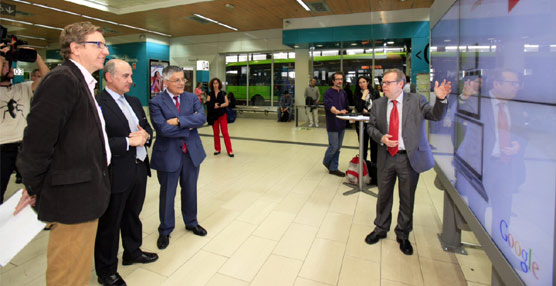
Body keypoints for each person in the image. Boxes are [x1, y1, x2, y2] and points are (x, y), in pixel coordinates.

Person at [14, 21, 111, 285]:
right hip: (72, 199)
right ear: (75, 48)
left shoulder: (81, 82)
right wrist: (34, 186)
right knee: (68, 275)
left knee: (78, 270)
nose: (105, 50)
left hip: (84, 194)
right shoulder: (62, 80)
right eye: (99, 44)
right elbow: (37, 141)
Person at [364, 68, 451, 255]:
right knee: (383, 195)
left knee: (407, 198)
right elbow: (370, 127)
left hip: (408, 158)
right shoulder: (378, 104)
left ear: (400, 84)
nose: (383, 86)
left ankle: (403, 234)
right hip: (386, 157)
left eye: (388, 83)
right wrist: (382, 138)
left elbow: (435, 116)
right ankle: (380, 228)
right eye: (383, 82)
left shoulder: (417, 101)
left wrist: (441, 100)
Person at [94, 59, 157, 286]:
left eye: (130, 76)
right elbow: (95, 143)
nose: (131, 80)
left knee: (132, 214)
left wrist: (145, 136)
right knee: (110, 222)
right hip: (115, 172)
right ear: (109, 77)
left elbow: (146, 127)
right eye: (126, 76)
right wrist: (128, 142)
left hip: (139, 168)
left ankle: (133, 251)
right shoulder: (97, 104)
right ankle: (106, 270)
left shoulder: (133, 101)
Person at [149, 65, 208, 250]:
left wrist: (179, 121)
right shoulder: (156, 102)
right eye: (177, 80)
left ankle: (191, 222)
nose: (182, 83)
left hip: (191, 154)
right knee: (168, 194)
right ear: (165, 82)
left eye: (183, 79)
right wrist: (188, 125)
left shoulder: (191, 98)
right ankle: (165, 230)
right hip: (168, 155)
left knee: (190, 190)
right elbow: (162, 129)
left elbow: (202, 119)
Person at [0, 48, 49, 201]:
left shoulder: (23, 87)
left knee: (38, 187)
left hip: (24, 147)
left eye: (9, 65)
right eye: (4, 65)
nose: (9, 68)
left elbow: (49, 79)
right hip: (2, 148)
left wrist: (37, 57)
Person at [323, 72, 351, 177]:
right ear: (333, 81)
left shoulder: (343, 92)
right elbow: (330, 107)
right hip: (333, 124)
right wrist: (338, 111)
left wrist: (351, 112)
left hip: (342, 124)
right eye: (337, 79)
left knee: (338, 147)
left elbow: (346, 106)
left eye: (341, 79)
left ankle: (333, 168)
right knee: (333, 146)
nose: (340, 81)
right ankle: (326, 162)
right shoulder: (328, 93)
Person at [354, 75, 380, 163]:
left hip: (373, 123)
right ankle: (363, 167)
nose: (361, 84)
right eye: (360, 83)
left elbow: (378, 107)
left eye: (363, 82)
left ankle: (374, 167)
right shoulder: (357, 94)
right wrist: (364, 95)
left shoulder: (375, 93)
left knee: (374, 147)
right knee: (363, 146)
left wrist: (369, 111)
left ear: (368, 82)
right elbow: (359, 107)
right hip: (361, 124)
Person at [206, 77, 234, 157]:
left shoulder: (223, 93)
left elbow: (227, 103)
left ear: (219, 84)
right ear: (212, 85)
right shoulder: (210, 94)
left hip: (222, 115)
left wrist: (220, 105)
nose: (215, 85)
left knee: (225, 132)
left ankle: (230, 150)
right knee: (216, 133)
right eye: (214, 83)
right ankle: (217, 149)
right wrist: (213, 105)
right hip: (214, 116)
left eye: (216, 83)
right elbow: (207, 104)